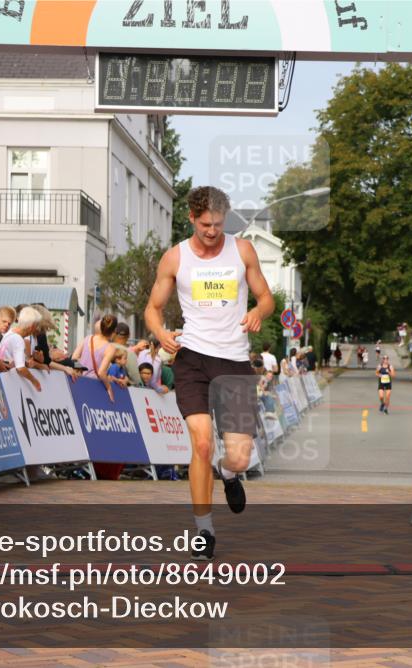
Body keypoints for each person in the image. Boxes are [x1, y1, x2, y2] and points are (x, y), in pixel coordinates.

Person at [145, 185, 275, 561]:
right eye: (205, 224)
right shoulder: (175, 258)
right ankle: (204, 531)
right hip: (193, 359)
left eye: (218, 224)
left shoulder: (242, 250)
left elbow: (265, 297)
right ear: (191, 218)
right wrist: (160, 333)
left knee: (238, 455)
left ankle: (229, 474)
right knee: (201, 443)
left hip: (234, 362)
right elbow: (152, 309)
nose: (212, 231)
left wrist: (257, 312)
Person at [0, 306, 43, 392]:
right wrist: (34, 381)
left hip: (1, 376)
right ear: (32, 326)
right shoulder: (18, 340)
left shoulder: (10, 332)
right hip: (8, 381)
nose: (37, 329)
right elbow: (20, 368)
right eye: (37, 326)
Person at [74, 314, 117, 380]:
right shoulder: (110, 348)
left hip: (80, 380)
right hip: (95, 383)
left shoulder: (88, 338)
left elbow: (74, 357)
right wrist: (109, 388)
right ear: (113, 331)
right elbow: (101, 373)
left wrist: (82, 368)